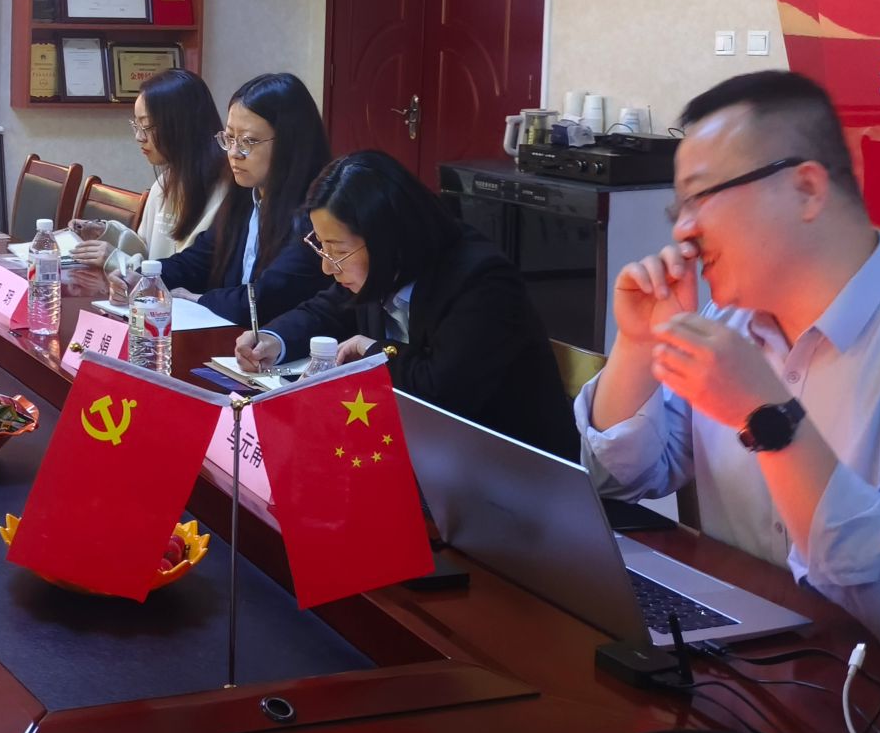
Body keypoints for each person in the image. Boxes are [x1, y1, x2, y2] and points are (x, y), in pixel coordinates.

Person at [579, 72, 880, 648]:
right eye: (677, 208)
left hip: (867, 682)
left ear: (807, 189)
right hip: (739, 662)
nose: (683, 230)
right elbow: (615, 481)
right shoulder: (730, 324)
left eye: (701, 197)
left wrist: (768, 416)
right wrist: (638, 343)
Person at [250, 149, 577, 457]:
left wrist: (372, 351)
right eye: (322, 246)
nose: (327, 266)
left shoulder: (481, 281)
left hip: (504, 468)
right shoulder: (377, 269)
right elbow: (328, 309)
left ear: (386, 240)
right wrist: (273, 339)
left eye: (338, 250)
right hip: (419, 450)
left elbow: (442, 393)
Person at [155, 72, 330, 324]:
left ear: (290, 143)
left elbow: (269, 297)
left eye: (248, 141)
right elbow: (199, 260)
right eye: (229, 138)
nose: (234, 153)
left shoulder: (318, 211)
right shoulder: (245, 195)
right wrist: (143, 277)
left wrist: (201, 300)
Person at [72, 68, 228, 283]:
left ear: (181, 125)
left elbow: (188, 273)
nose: (139, 137)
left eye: (146, 126)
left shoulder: (225, 192)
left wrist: (115, 259)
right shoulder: (166, 181)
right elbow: (147, 250)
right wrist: (106, 232)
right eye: (136, 125)